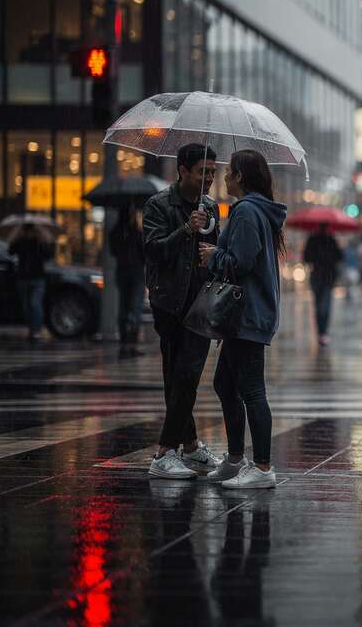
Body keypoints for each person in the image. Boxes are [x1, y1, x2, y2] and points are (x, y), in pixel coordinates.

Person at [199, 149, 288, 489]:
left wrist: (213, 255)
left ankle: (262, 468)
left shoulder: (247, 211)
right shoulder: (253, 210)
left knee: (252, 390)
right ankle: (236, 459)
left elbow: (242, 262)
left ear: (239, 176)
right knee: (225, 384)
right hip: (246, 314)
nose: (223, 177)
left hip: (247, 314)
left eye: (228, 172)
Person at [142, 143, 223, 479]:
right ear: (183, 171)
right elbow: (153, 251)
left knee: (186, 375)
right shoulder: (159, 205)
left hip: (201, 303)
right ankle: (167, 453)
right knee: (178, 375)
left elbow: (214, 251)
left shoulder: (211, 206)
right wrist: (186, 229)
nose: (209, 178)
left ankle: (184, 446)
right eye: (203, 172)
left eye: (213, 172)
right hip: (169, 302)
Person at [109, 204, 147, 357]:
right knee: (135, 308)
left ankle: (124, 343)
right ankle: (132, 344)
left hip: (122, 273)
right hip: (136, 274)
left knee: (123, 308)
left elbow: (113, 251)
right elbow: (144, 253)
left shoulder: (115, 233)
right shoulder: (136, 233)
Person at [10, 223, 52, 342]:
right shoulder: (20, 242)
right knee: (26, 306)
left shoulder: (40, 243)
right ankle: (32, 330)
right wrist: (16, 234)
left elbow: (48, 255)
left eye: (31, 231)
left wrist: (42, 236)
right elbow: (10, 251)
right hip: (23, 278)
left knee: (35, 303)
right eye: (27, 231)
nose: (30, 234)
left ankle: (37, 331)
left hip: (38, 278)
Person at [302, 222, 343, 346]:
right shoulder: (315, 239)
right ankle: (321, 332)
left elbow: (339, 257)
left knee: (323, 306)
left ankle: (322, 332)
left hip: (326, 278)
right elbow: (306, 257)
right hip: (319, 277)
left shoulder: (330, 240)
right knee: (321, 306)